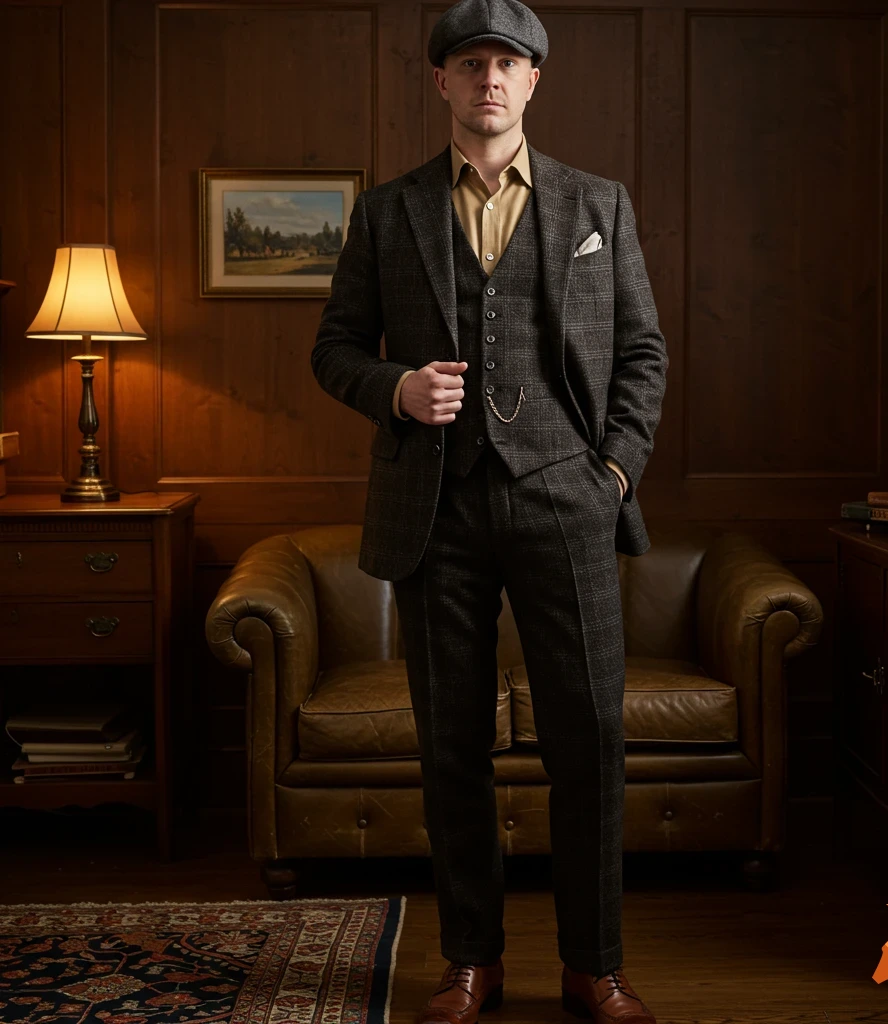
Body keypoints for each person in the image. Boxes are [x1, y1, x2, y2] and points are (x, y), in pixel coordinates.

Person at [311, 1, 668, 1019]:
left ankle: (592, 965)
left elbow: (643, 353)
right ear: (442, 82)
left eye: (506, 63)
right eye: (469, 63)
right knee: (451, 748)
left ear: (532, 80)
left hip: (568, 499)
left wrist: (614, 475)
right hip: (437, 510)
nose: (488, 80)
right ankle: (470, 960)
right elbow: (333, 347)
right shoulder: (388, 212)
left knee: (589, 741)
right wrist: (394, 389)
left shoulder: (599, 203)